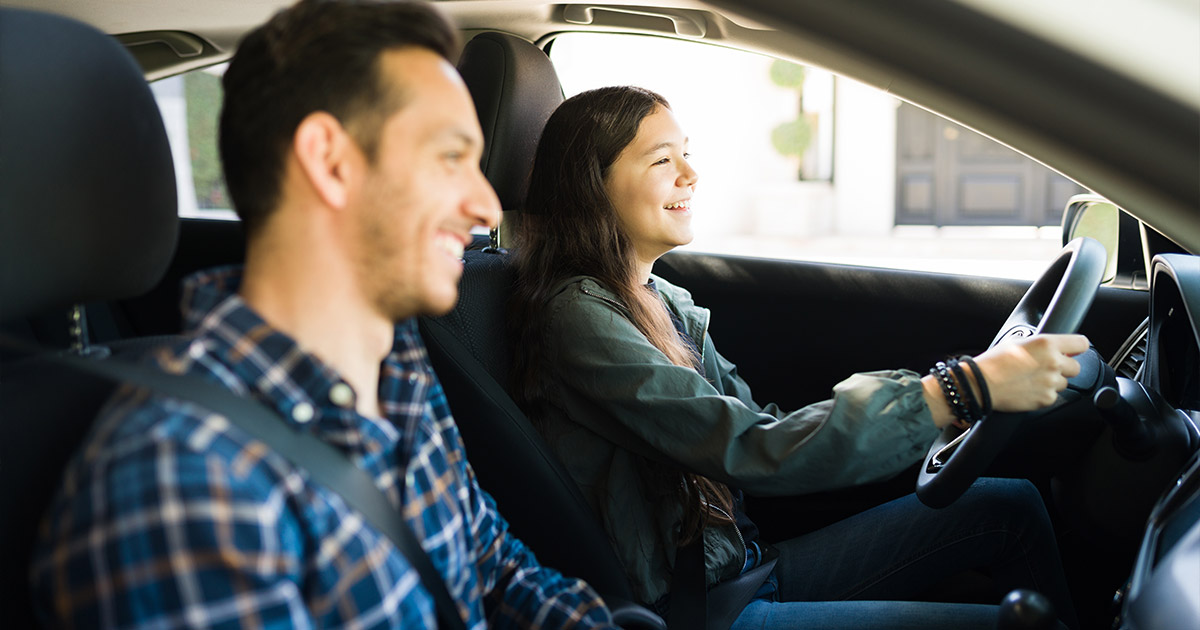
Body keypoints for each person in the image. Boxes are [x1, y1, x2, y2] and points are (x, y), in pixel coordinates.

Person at [30, 2, 618, 628]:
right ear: (331, 161)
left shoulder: (398, 373)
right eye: (451, 157)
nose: (483, 204)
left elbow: (496, 571)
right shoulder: (184, 476)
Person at [509, 85, 1087, 629]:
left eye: (687, 154)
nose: (691, 174)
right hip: (699, 607)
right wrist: (953, 390)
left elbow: (768, 423)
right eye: (662, 161)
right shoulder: (578, 318)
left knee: (1007, 505)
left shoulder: (661, 300)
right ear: (593, 183)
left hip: (744, 565)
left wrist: (940, 408)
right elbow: (754, 448)